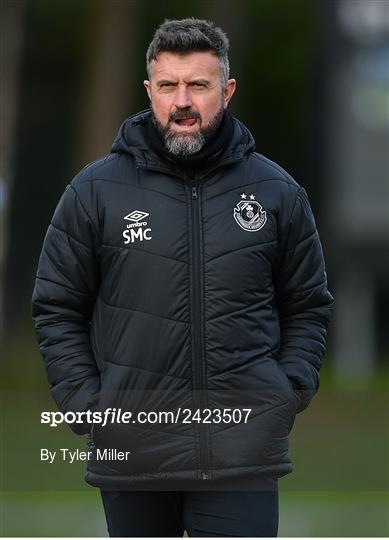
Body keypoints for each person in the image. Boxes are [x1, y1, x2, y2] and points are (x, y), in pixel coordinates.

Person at [32, 18, 334, 537]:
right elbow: (57, 307)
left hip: (243, 455)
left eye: (199, 85)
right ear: (149, 90)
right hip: (133, 452)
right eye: (169, 85)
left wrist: (287, 391)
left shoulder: (278, 193)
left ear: (227, 90)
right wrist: (90, 407)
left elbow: (307, 305)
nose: (183, 101)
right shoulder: (94, 191)